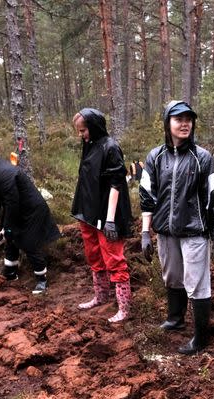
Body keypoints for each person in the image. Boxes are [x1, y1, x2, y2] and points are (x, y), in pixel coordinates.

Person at [139, 100, 214, 354]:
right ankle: (175, 319)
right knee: (172, 276)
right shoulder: (154, 157)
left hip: (194, 231)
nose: (184, 123)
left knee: (197, 282)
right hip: (165, 231)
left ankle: (200, 338)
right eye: (178, 119)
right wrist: (146, 232)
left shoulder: (202, 158)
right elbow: (147, 194)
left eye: (188, 119)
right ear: (168, 123)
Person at [0, 143, 61, 295]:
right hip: (17, 209)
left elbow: (12, 203)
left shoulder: (4, 173)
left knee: (28, 243)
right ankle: (10, 273)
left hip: (31, 210)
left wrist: (7, 228)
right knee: (11, 239)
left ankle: (42, 280)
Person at [72, 108, 135, 323]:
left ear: (94, 126)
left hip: (108, 214)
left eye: (83, 130)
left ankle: (124, 308)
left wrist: (109, 220)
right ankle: (101, 296)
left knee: (114, 258)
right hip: (88, 212)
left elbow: (116, 184)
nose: (81, 135)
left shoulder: (111, 147)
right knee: (94, 255)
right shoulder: (89, 145)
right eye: (79, 131)